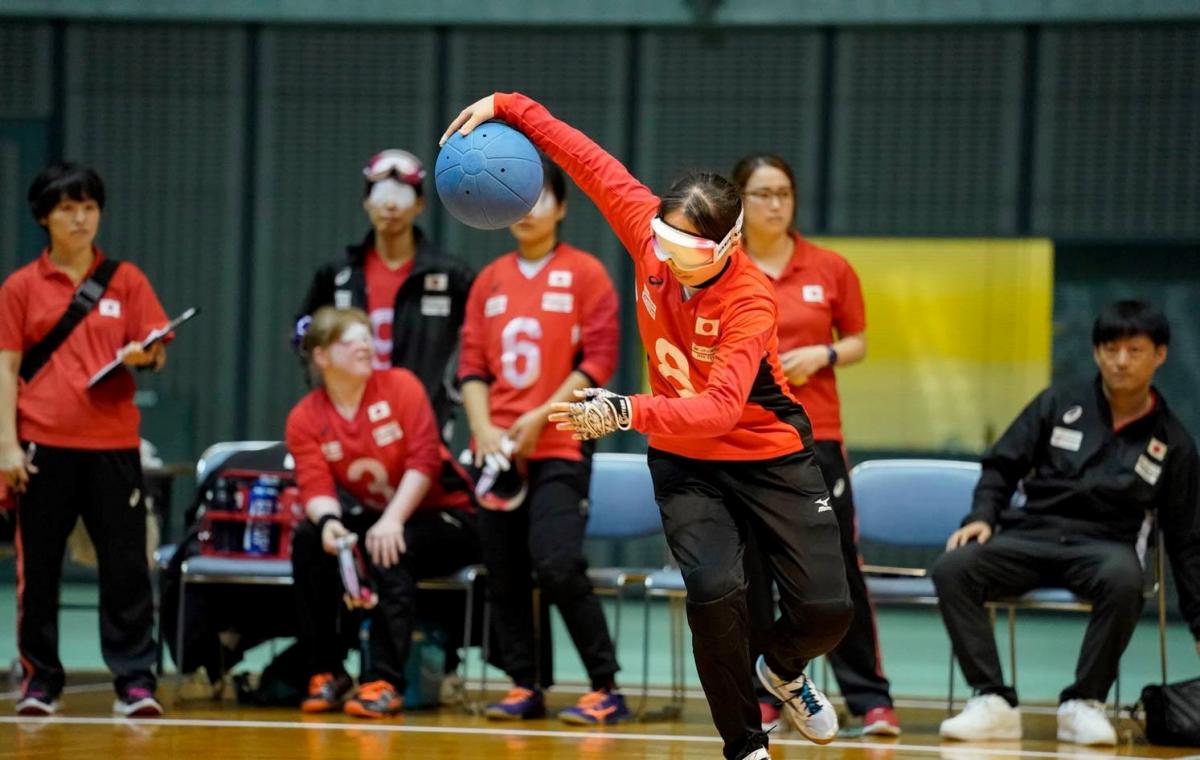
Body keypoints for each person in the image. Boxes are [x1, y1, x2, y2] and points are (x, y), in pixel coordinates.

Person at [442, 94, 852, 760]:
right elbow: (582, 156)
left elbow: (721, 408)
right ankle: (745, 745)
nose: (661, 256)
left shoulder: (751, 300)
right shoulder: (648, 233)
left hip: (769, 452)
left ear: (726, 244)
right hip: (686, 461)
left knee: (829, 610)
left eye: (681, 248)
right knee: (715, 589)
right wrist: (506, 106)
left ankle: (781, 670)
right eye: (659, 239)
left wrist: (626, 408)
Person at [932, 301, 1200, 746]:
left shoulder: (1173, 442)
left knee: (1124, 579)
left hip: (1105, 547)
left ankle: (1084, 702)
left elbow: (1188, 540)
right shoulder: (1059, 402)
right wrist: (982, 517)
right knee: (953, 567)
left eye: (1134, 350)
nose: (1120, 361)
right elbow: (1001, 465)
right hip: (1031, 535)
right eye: (1110, 349)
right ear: (1096, 353)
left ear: (1160, 355)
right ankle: (993, 700)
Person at [731, 154, 899, 736]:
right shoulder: (721, 268)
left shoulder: (829, 268)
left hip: (814, 438)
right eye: (761, 194)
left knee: (835, 571)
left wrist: (822, 354)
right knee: (750, 570)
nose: (775, 204)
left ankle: (869, 695)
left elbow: (857, 340)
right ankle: (767, 689)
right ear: (739, 201)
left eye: (784, 193)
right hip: (738, 441)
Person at [456, 157, 626, 724]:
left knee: (557, 564)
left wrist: (543, 416)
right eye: (515, 199)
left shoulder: (587, 273)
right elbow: (472, 365)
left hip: (559, 441)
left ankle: (606, 686)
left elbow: (598, 360)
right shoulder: (489, 280)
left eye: (538, 198)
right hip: (498, 447)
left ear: (561, 206)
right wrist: (483, 429)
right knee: (504, 571)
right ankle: (524, 684)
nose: (527, 210)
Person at [0, 162, 172, 717]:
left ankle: (135, 684)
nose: (81, 219)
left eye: (90, 207)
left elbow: (155, 348)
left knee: (126, 568)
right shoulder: (21, 287)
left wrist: (145, 354)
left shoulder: (126, 279)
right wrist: (6, 444)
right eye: (68, 208)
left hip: (113, 445)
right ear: (44, 217)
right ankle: (41, 683)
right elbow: (5, 368)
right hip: (41, 445)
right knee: (40, 569)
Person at [286, 306, 481, 718]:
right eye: (349, 340)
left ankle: (384, 680)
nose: (364, 345)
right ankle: (327, 671)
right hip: (385, 516)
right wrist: (330, 523)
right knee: (309, 540)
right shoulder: (305, 416)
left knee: (390, 545)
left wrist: (392, 520)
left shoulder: (400, 386)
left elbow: (424, 461)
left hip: (451, 518)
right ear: (321, 356)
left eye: (366, 337)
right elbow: (315, 485)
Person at [296, 149, 474, 434]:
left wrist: (452, 392)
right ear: (366, 202)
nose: (390, 205)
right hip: (349, 423)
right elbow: (304, 334)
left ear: (420, 204)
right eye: (380, 194)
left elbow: (480, 344)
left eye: (402, 195)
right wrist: (325, 384)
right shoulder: (338, 274)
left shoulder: (452, 276)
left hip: (425, 423)